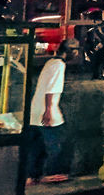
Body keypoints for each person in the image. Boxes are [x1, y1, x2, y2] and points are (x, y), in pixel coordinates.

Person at [27, 38, 78, 184]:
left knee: (37, 147)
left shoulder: (51, 62)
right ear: (69, 52)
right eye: (75, 51)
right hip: (47, 111)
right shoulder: (59, 65)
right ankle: (52, 173)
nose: (76, 54)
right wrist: (48, 110)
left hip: (35, 111)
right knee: (57, 144)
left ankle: (32, 175)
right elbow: (51, 89)